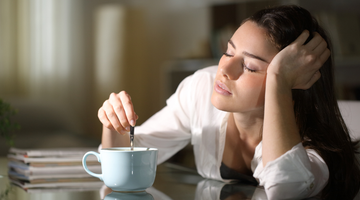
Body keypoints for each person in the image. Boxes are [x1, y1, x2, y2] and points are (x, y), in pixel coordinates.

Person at [97, 5, 360, 200]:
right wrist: (113, 124)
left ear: (294, 82)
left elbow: (285, 189)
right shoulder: (201, 89)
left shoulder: (313, 144)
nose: (224, 69)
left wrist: (278, 80)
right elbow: (132, 153)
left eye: (249, 66)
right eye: (228, 51)